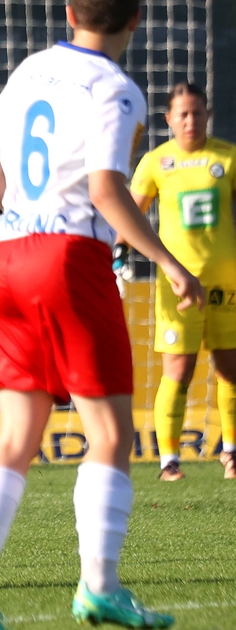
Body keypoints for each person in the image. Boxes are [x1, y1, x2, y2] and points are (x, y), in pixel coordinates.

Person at [0, 0, 204, 628]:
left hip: (2, 256)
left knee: (15, 435)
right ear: (137, 20)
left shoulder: (33, 67)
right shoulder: (118, 89)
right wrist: (169, 263)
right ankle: (100, 586)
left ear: (69, 13)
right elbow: (106, 191)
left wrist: (24, 219)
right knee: (111, 433)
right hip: (67, 261)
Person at [114, 82, 236, 482]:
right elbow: (130, 213)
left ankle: (231, 454)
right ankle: (169, 462)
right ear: (168, 119)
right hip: (177, 283)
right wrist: (119, 254)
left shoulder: (226, 157)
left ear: (207, 115)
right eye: (182, 114)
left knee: (230, 370)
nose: (190, 120)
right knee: (178, 372)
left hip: (225, 279)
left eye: (197, 112)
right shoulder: (154, 162)